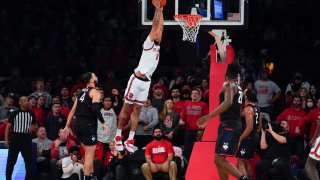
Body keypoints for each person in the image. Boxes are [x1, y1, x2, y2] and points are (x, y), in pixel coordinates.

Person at [114, 0, 164, 153]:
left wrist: (161, 9)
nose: (158, 33)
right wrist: (156, 9)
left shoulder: (158, 45)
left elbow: (160, 27)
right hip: (136, 80)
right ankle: (117, 136)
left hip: (146, 83)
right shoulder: (148, 44)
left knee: (137, 111)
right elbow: (155, 25)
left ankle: (130, 139)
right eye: (155, 34)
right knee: (126, 108)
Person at [197, 61, 247, 180]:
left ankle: (242, 178)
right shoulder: (238, 87)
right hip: (235, 123)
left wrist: (208, 117)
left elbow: (228, 102)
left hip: (229, 124)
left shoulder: (228, 84)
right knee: (220, 161)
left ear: (226, 72)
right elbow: (239, 108)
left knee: (218, 159)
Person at [62, 72, 109, 180]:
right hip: (88, 124)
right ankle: (87, 178)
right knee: (89, 155)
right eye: (94, 75)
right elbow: (96, 109)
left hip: (77, 124)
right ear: (91, 80)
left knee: (88, 152)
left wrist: (67, 125)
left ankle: (92, 176)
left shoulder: (81, 93)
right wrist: (104, 123)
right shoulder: (95, 92)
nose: (96, 76)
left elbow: (73, 110)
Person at [5, 96, 37, 180]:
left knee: (28, 162)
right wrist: (6, 140)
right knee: (11, 162)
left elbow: (36, 125)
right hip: (15, 138)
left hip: (27, 139)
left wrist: (33, 127)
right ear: (20, 102)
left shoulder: (31, 114)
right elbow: (8, 127)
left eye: (27, 100)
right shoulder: (14, 113)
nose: (26, 102)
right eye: (24, 100)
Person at [236, 88, 260, 179]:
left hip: (247, 138)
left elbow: (249, 128)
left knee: (240, 164)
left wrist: (240, 139)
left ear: (246, 96)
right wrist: (254, 136)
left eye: (244, 92)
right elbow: (259, 126)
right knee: (246, 163)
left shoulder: (248, 109)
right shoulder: (256, 108)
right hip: (253, 137)